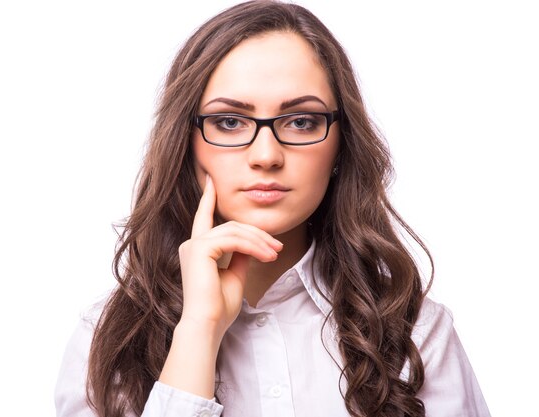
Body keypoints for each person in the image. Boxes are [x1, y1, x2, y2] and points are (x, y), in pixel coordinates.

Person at [55, 1, 490, 416]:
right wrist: (199, 331)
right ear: (185, 145)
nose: (266, 155)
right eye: (229, 121)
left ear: (341, 145)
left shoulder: (417, 331)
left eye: (302, 121)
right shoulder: (107, 339)